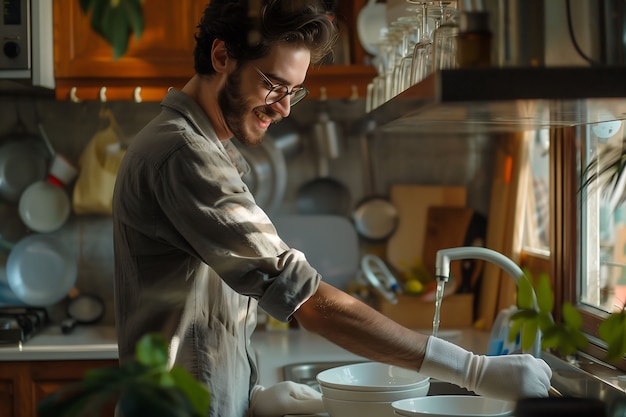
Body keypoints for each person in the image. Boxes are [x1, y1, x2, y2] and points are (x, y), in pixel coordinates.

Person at [112, 1, 552, 416]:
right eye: (273, 84)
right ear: (222, 55)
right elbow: (306, 299)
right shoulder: (183, 154)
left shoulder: (210, 150)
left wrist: (249, 395)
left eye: (293, 92)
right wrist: (472, 371)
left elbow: (207, 314)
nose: (283, 108)